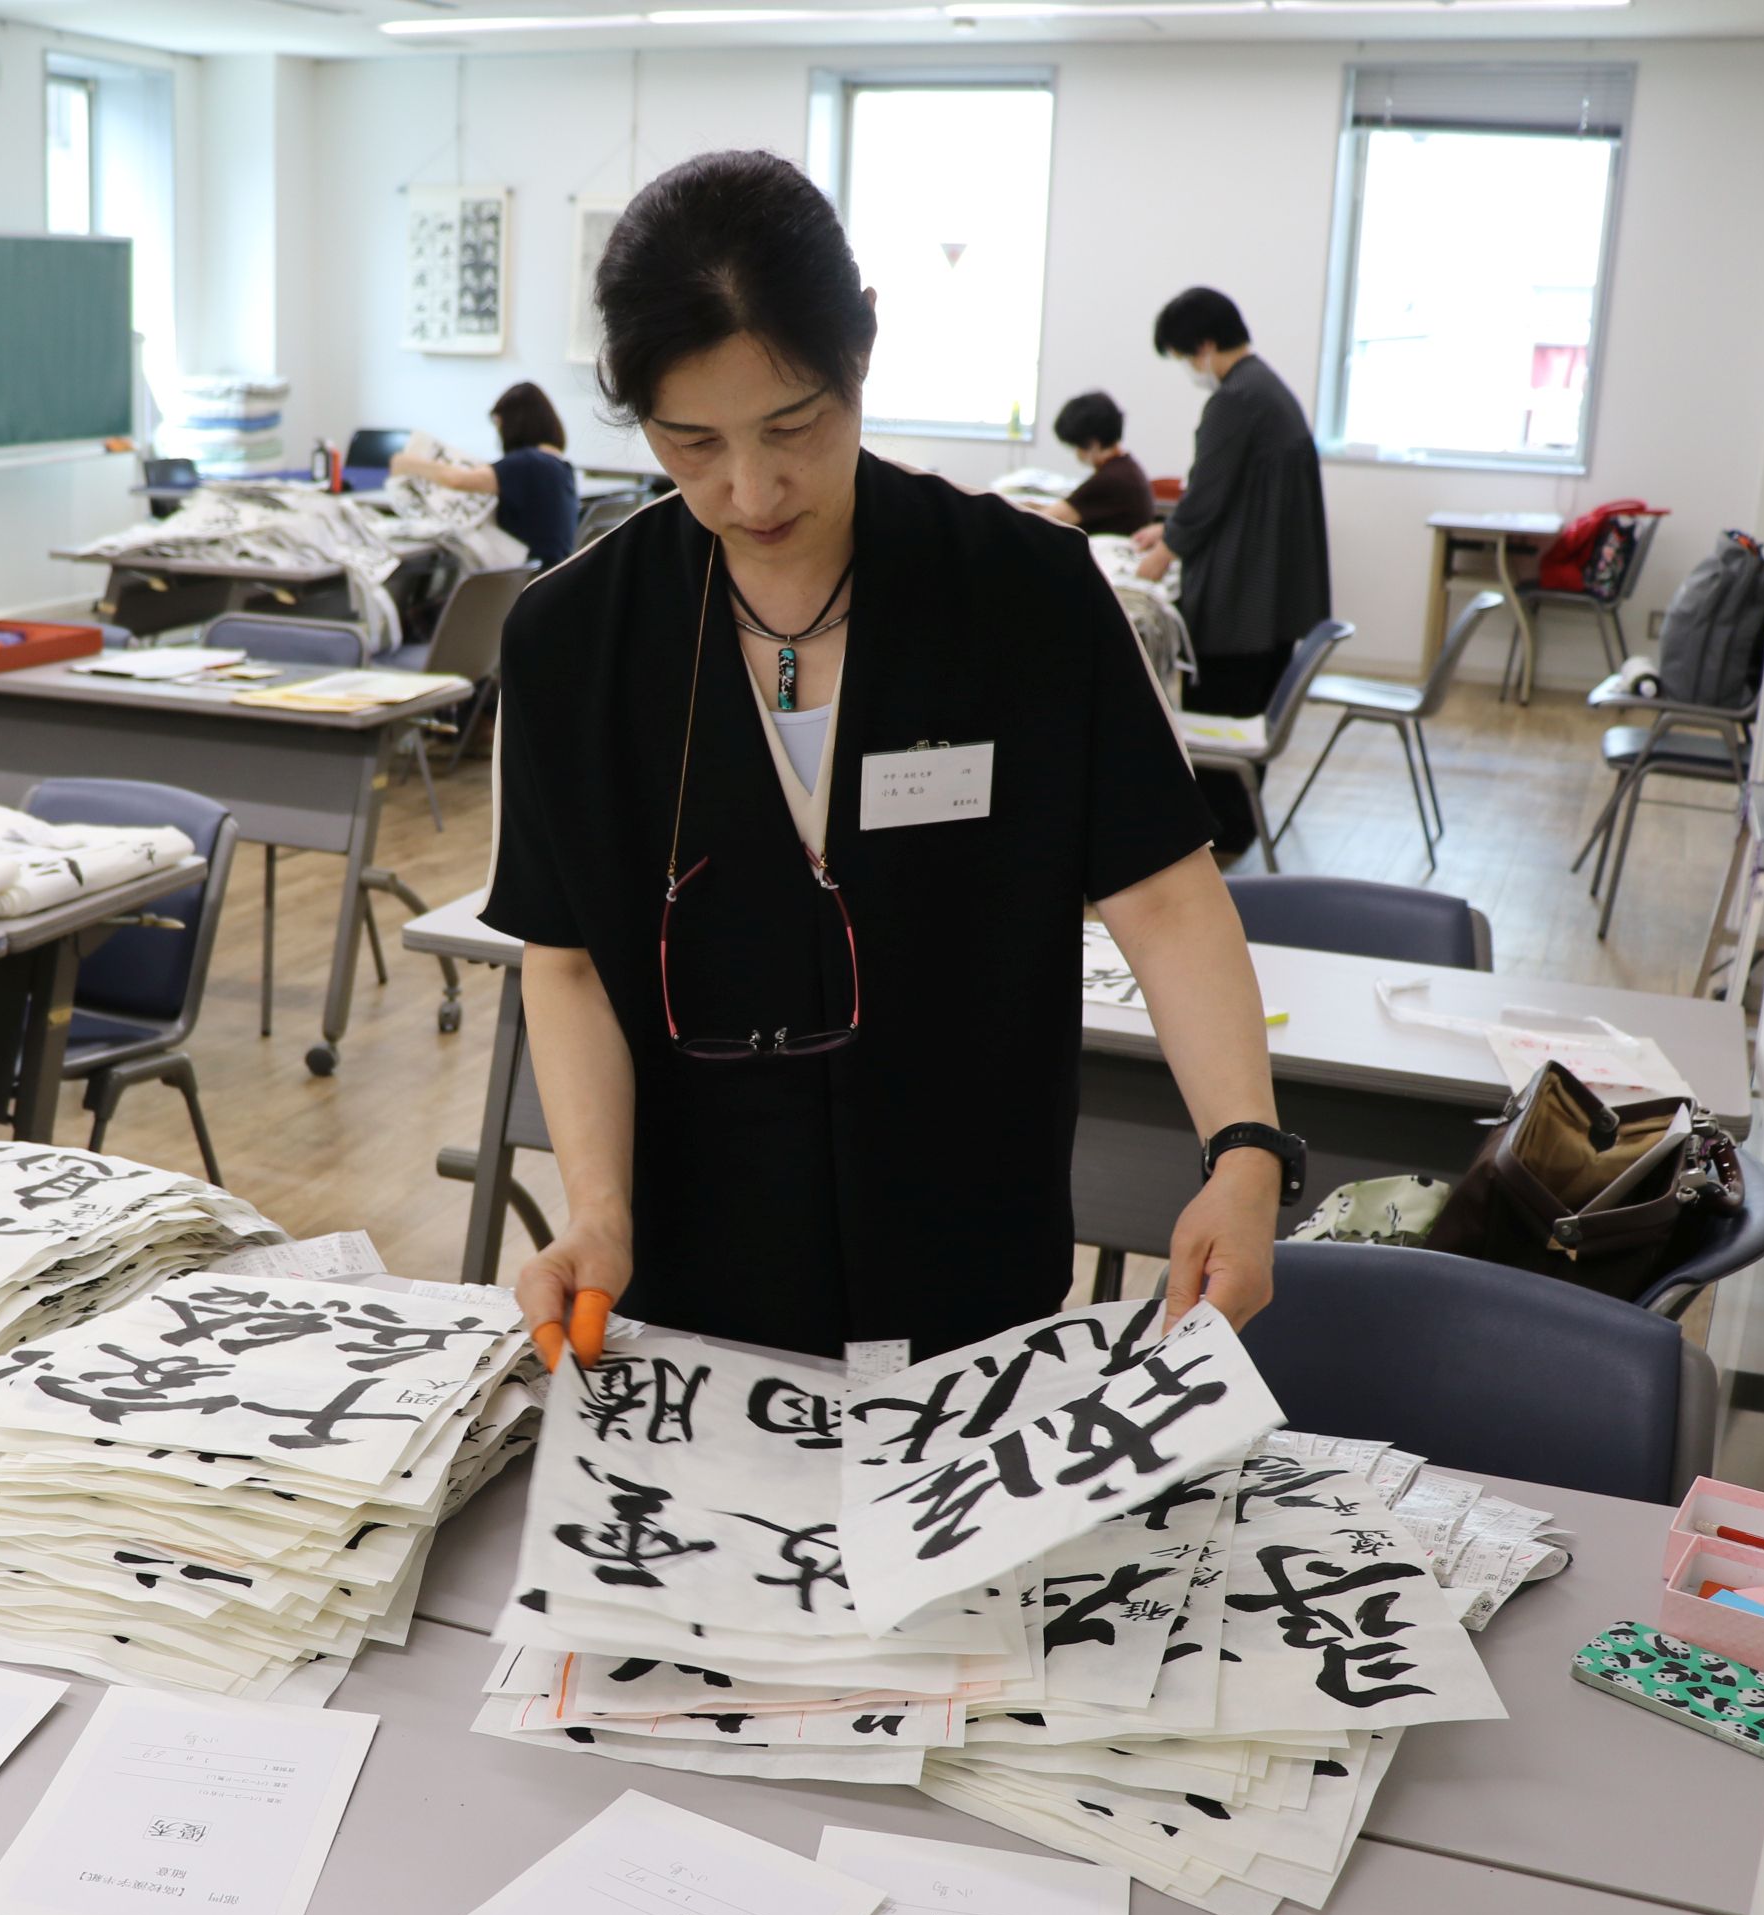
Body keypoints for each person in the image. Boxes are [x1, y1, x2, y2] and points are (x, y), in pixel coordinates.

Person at [485, 151, 1298, 1368]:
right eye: (690, 441)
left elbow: (1165, 894)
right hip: (688, 1280)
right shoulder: (571, 639)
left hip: (974, 1265)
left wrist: (1244, 1151)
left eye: (794, 426)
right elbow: (573, 967)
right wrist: (596, 1206)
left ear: (862, 352)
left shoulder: (1025, 593)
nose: (750, 489)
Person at [1133, 287, 1331, 854]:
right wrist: (1164, 532)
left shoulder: (1235, 399)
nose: (1187, 368)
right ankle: (1235, 826)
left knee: (1220, 705)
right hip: (1272, 597)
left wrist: (1161, 553)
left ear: (1202, 344)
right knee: (1244, 703)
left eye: (1182, 355)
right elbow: (1227, 492)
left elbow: (1207, 495)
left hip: (1242, 599)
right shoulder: (1266, 389)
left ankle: (1220, 835)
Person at [390, 381, 581, 566]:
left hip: (527, 578)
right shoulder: (560, 465)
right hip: (551, 573)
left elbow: (458, 480)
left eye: (499, 424)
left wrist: (408, 463)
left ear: (514, 422)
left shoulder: (526, 463)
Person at [1034, 391, 1153, 538]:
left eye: (1076, 446)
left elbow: (1043, 521)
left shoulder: (1111, 480)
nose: (1076, 453)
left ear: (1092, 444)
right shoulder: (1126, 468)